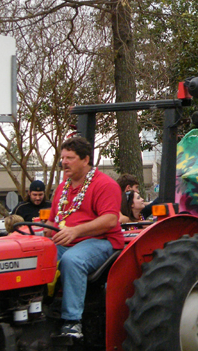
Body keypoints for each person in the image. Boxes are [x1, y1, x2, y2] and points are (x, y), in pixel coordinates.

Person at [46, 136, 124, 339]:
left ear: (85, 160)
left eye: (70, 157)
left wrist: (76, 231)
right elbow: (53, 219)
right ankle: (41, 308)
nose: (64, 162)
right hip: (65, 240)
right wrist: (45, 233)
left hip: (101, 242)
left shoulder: (105, 185)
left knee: (73, 260)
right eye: (62, 157)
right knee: (38, 255)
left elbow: (109, 221)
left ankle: (72, 322)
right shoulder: (62, 188)